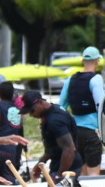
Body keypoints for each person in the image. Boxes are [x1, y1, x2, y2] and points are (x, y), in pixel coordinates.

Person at [59, 47, 105, 177]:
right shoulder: (96, 79)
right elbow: (100, 106)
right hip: (92, 133)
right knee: (93, 174)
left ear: (82, 60)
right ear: (97, 61)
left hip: (74, 133)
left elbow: (61, 106)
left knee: (81, 173)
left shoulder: (70, 80)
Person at [22, 89, 78, 177]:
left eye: (32, 110)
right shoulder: (53, 110)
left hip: (68, 169)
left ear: (40, 102)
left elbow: (69, 148)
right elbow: (54, 146)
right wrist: (41, 162)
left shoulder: (55, 120)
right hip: (61, 164)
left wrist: (59, 176)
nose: (31, 115)